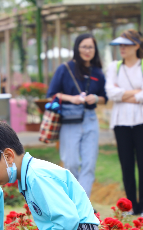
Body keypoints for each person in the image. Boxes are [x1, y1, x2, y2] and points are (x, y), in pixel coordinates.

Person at [45, 33, 108, 198]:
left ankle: (82, 204)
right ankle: (73, 198)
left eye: (91, 47)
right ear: (77, 48)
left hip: (90, 118)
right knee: (71, 162)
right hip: (69, 119)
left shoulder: (98, 72)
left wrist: (96, 98)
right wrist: (71, 98)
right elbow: (51, 94)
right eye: (84, 47)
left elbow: (104, 98)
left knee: (89, 164)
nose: (88, 51)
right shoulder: (65, 69)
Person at [105, 29, 143, 218]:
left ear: (137, 45)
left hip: (142, 121)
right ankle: (131, 207)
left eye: (126, 44)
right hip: (121, 123)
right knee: (126, 165)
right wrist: (136, 92)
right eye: (120, 45)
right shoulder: (114, 67)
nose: (122, 48)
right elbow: (111, 93)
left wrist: (123, 94)